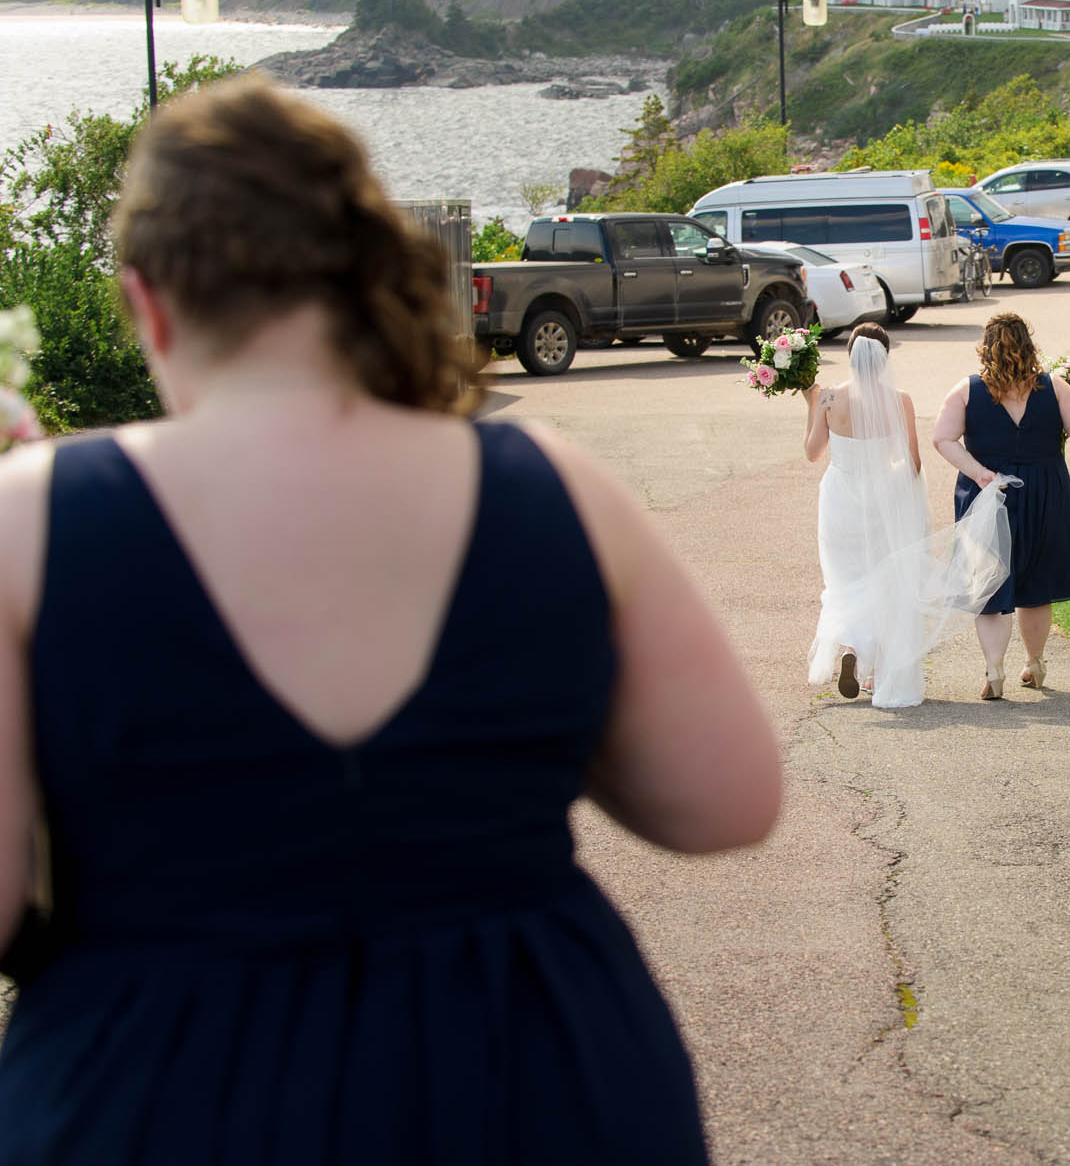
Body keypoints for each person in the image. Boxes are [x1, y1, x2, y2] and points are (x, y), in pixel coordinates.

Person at [0, 74, 783, 1163]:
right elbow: (726, 800)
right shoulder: (548, 485)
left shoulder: (28, 521)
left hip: (161, 1089)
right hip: (534, 1079)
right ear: (353, 271)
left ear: (148, 300)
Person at [802, 323, 1010, 708]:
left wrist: (809, 405)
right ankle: (879, 669)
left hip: (840, 499)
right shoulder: (900, 400)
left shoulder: (828, 397)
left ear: (850, 356)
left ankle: (852, 646)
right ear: (884, 360)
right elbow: (913, 463)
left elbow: (812, 453)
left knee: (846, 577)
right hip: (884, 500)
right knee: (885, 579)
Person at [933, 313, 1070, 700]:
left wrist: (979, 473)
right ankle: (1035, 664)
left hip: (990, 494)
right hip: (1045, 493)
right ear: (1029, 345)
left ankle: (994, 669)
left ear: (985, 348)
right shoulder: (1053, 386)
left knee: (988, 584)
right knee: (1036, 586)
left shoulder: (966, 390)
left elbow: (943, 438)